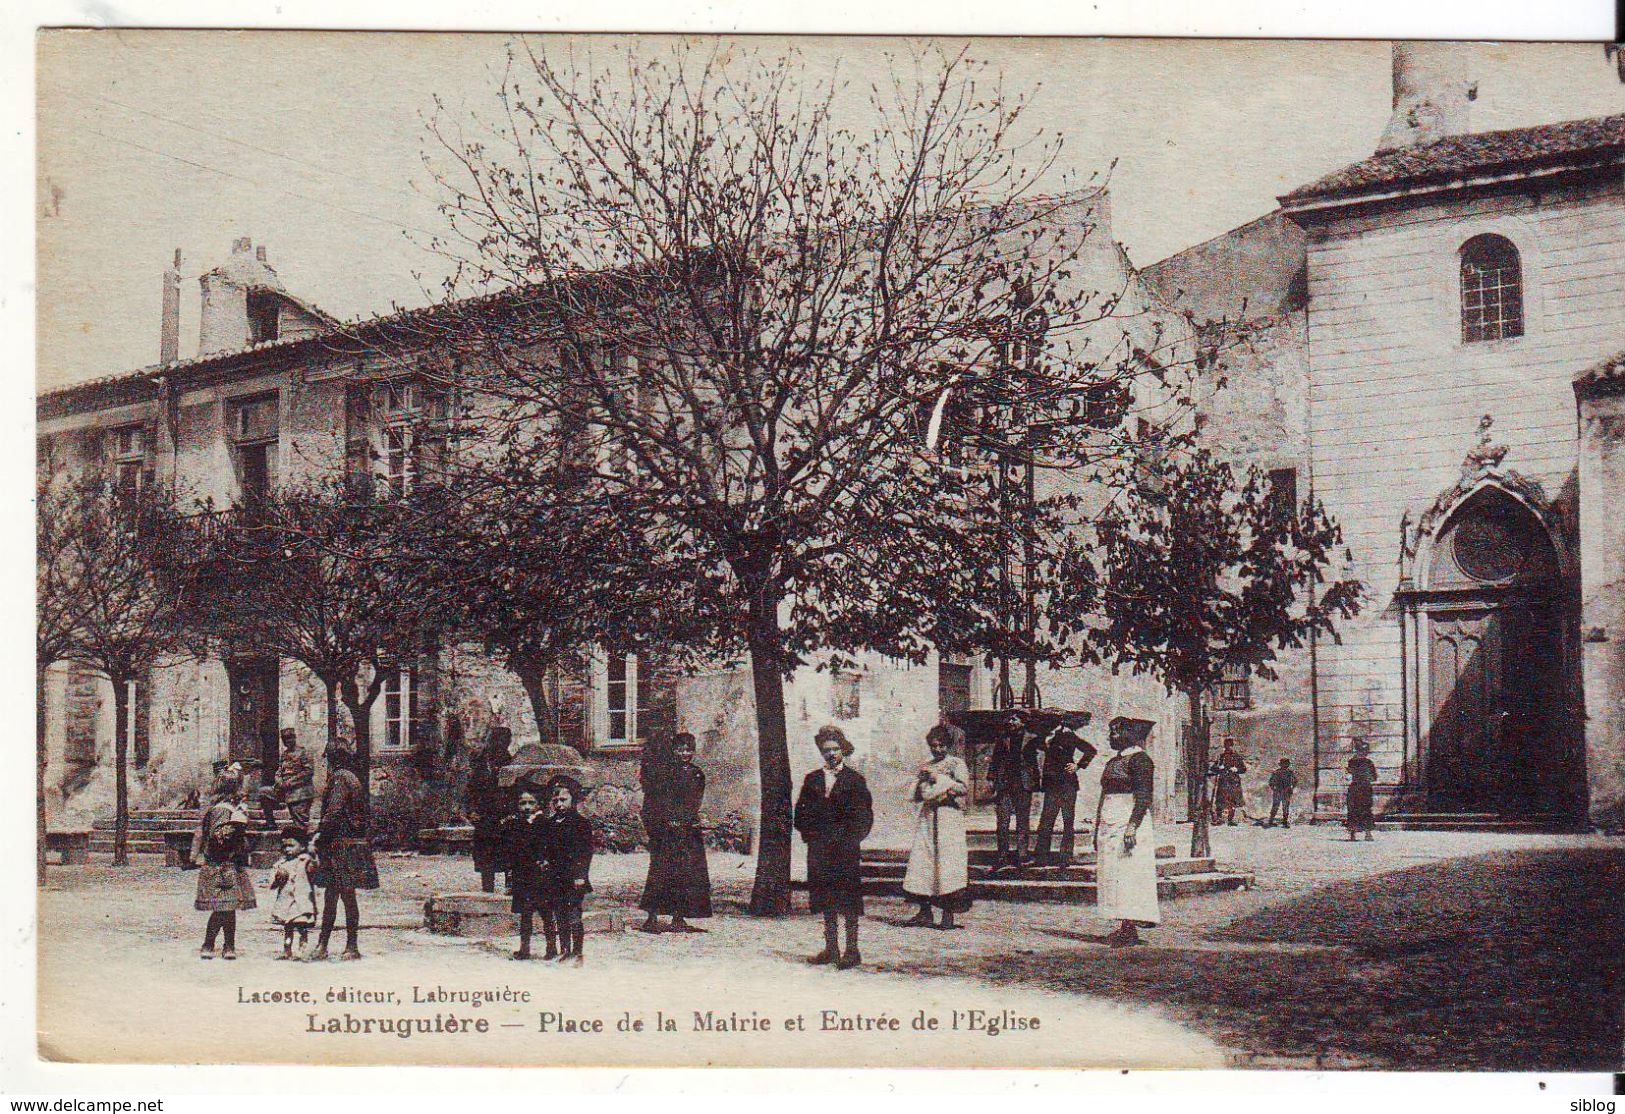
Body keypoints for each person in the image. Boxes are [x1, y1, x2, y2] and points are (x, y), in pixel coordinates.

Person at [793, 725, 874, 969]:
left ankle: (852, 950)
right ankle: (831, 949)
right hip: (820, 849)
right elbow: (801, 813)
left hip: (845, 850)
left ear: (843, 750)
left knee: (848, 900)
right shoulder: (813, 779)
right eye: (826, 750)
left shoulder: (855, 780)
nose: (831, 754)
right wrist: (811, 836)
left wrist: (852, 839)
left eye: (835, 749)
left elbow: (865, 816)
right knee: (826, 898)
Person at [310, 739, 379, 961]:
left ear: (332, 759)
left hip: (340, 845)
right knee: (348, 896)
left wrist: (320, 833)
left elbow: (334, 811)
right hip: (351, 844)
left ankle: (326, 945)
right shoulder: (353, 778)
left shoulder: (340, 778)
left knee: (333, 896)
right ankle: (349, 945)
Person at [1094, 716, 1160, 948]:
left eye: (1115, 732)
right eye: (1110, 732)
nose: (1111, 737)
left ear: (1128, 734)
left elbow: (1144, 795)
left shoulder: (1141, 760)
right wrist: (1096, 828)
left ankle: (1129, 927)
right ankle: (1123, 926)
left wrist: (1133, 825)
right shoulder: (1112, 761)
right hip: (1109, 819)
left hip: (1128, 820)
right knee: (1112, 871)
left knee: (1129, 873)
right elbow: (1104, 795)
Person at [638, 732, 713, 934]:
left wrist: (691, 819)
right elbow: (660, 800)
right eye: (680, 749)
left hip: (687, 829)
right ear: (673, 750)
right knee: (661, 871)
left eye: (688, 749)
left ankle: (679, 917)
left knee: (687, 874)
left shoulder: (697, 773)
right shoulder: (665, 772)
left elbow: (695, 801)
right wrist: (667, 820)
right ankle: (651, 917)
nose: (684, 753)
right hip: (667, 830)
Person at [902, 725, 972, 930]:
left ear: (948, 746)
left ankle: (948, 914)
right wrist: (922, 785)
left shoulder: (956, 763)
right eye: (934, 746)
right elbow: (917, 792)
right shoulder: (927, 764)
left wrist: (938, 780)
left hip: (948, 817)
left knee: (947, 862)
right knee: (923, 860)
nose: (937, 750)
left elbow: (963, 788)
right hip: (928, 816)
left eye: (941, 746)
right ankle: (924, 912)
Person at [193, 774, 256, 960]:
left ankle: (228, 945)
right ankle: (210, 943)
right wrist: (238, 824)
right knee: (222, 908)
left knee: (229, 907)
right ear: (232, 791)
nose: (243, 792)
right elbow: (218, 837)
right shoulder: (222, 810)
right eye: (239, 788)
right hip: (220, 865)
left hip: (229, 864)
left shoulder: (227, 808)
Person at [538, 775, 595, 966]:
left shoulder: (581, 824)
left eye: (564, 800)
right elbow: (545, 848)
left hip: (573, 878)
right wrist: (544, 860)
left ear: (574, 800)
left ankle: (577, 952)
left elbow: (585, 853)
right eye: (555, 801)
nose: (559, 804)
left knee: (573, 915)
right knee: (560, 914)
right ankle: (564, 949)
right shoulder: (550, 824)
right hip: (555, 877)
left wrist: (580, 876)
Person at [1033, 715, 1098, 866]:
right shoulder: (1043, 736)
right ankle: (1041, 857)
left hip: (1068, 784)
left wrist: (1078, 765)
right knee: (1046, 820)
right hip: (1051, 785)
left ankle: (1065, 856)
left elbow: (1090, 750)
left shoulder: (1067, 735)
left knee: (1068, 820)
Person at [987, 711, 1042, 870]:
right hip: (1004, 785)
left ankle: (1022, 854)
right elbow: (995, 761)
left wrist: (1036, 783)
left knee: (1022, 821)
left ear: (1023, 722)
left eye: (1014, 719)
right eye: (1009, 719)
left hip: (1023, 784)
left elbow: (1036, 762)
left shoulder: (1032, 739)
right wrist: (991, 779)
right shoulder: (1003, 739)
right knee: (1002, 822)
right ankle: (1002, 855)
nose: (1010, 721)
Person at [503, 784, 549, 960]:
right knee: (525, 913)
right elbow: (511, 851)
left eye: (531, 802)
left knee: (546, 912)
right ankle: (525, 948)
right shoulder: (515, 824)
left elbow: (550, 847)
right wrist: (510, 878)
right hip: (522, 875)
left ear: (539, 804)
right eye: (523, 803)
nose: (527, 807)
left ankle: (551, 948)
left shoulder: (544, 823)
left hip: (540, 874)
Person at [467, 726, 513, 894]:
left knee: (509, 851)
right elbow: (470, 789)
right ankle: (487, 889)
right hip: (484, 816)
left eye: (504, 741)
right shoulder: (480, 763)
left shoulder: (511, 763)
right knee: (485, 855)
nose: (500, 744)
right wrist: (471, 811)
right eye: (496, 739)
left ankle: (511, 886)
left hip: (505, 815)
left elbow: (515, 791)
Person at [269, 824, 318, 960]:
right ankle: (287, 950)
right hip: (286, 902)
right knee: (288, 928)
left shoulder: (305, 861)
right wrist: (277, 878)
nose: (287, 849)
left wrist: (313, 858)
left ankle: (302, 950)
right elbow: (272, 883)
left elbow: (314, 872)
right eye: (284, 846)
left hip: (302, 901)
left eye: (291, 845)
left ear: (302, 847)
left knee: (302, 927)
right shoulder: (280, 864)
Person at [260, 728, 315, 828]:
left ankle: (301, 835)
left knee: (299, 822)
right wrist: (279, 781)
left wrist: (290, 782)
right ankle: (271, 824)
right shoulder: (284, 755)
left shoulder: (303, 753)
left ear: (294, 738)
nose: (287, 741)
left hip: (299, 791)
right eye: (284, 739)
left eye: (289, 738)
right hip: (284, 789)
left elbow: (308, 772)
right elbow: (279, 771)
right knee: (264, 792)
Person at [1345, 741, 1378, 842]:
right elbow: (1374, 777)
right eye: (1362, 751)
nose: (1363, 753)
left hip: (1359, 789)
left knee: (1360, 810)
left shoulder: (1354, 762)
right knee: (1360, 810)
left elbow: (1349, 774)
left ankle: (1361, 834)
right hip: (1362, 788)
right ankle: (1358, 834)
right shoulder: (1367, 763)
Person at [1211, 739, 1248, 826]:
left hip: (1233, 782)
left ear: (1232, 746)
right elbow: (1213, 768)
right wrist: (1219, 767)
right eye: (1226, 746)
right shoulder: (1221, 757)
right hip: (1223, 781)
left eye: (1230, 746)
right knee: (1220, 800)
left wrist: (1237, 769)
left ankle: (1231, 820)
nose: (1228, 748)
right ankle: (1219, 819)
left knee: (1233, 801)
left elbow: (1244, 769)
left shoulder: (1237, 757)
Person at [1266, 758, 1299, 829]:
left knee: (1285, 807)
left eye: (1286, 764)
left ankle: (1284, 822)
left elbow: (1295, 781)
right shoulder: (1276, 772)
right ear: (1281, 765)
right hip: (1279, 792)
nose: (1285, 765)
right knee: (1276, 806)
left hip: (1286, 792)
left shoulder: (1290, 772)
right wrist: (1274, 789)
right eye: (1284, 764)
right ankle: (1271, 821)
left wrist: (1291, 787)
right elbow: (1271, 782)